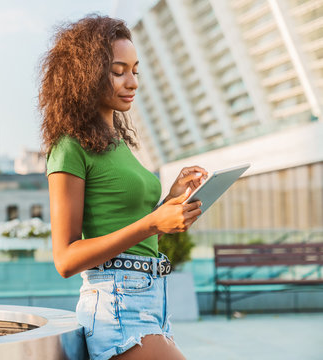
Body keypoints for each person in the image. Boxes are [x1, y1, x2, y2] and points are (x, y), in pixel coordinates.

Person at [39, 15, 208, 360]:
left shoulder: (116, 142)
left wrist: (170, 202)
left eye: (135, 70)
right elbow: (65, 259)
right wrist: (153, 222)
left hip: (152, 302)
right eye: (118, 71)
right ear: (86, 75)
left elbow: (130, 228)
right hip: (116, 306)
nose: (132, 82)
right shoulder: (69, 147)